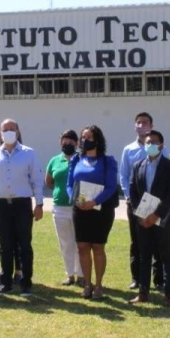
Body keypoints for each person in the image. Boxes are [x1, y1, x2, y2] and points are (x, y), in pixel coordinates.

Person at [0, 119, 45, 296]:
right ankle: (6, 283)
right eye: (5, 129)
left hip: (22, 204)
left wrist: (39, 204)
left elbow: (36, 181)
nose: (8, 132)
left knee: (24, 244)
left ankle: (26, 283)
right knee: (5, 245)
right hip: (1, 205)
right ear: (0, 133)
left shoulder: (28, 153)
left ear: (18, 131)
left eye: (12, 129)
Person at [67, 125, 119, 300]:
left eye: (89, 138)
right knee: (82, 247)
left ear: (97, 140)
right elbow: (69, 184)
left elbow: (112, 187)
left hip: (100, 210)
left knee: (97, 247)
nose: (84, 141)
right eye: (83, 137)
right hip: (80, 209)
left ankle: (98, 285)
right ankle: (87, 284)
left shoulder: (108, 161)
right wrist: (74, 199)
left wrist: (94, 202)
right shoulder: (75, 159)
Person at [128, 130, 170, 306]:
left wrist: (156, 214)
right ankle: (143, 292)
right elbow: (133, 192)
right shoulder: (137, 166)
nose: (150, 145)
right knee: (144, 255)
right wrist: (141, 215)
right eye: (148, 142)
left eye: (154, 142)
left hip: (162, 218)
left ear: (161, 145)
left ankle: (169, 294)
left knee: (165, 255)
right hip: (143, 219)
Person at [120, 112, 160, 291]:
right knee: (136, 241)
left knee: (158, 241)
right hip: (135, 203)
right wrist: (129, 198)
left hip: (155, 203)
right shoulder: (129, 150)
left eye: (145, 123)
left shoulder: (159, 147)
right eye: (138, 122)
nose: (141, 125)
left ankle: (159, 279)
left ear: (151, 125)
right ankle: (136, 278)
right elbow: (124, 175)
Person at [45, 129, 83, 286]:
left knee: (80, 243)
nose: (67, 143)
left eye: (71, 140)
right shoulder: (54, 160)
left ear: (77, 143)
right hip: (59, 208)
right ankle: (70, 274)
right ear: (61, 142)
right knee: (65, 243)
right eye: (65, 140)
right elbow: (49, 182)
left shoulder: (82, 159)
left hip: (78, 207)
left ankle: (82, 275)